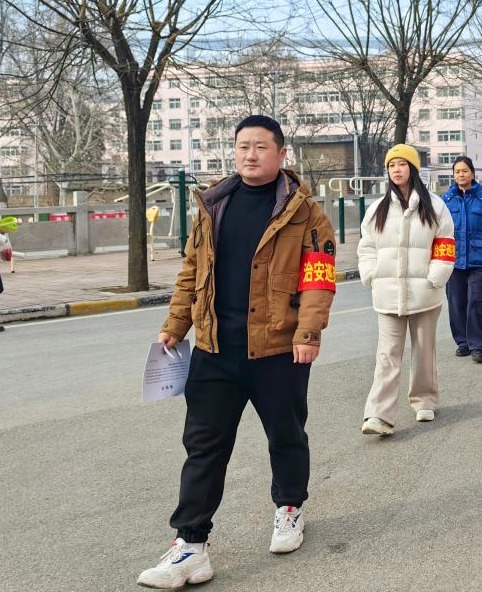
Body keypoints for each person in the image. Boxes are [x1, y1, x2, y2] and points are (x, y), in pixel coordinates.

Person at [137, 115, 337, 589]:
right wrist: (175, 326)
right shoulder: (212, 205)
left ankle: (289, 507)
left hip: (277, 349)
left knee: (286, 435)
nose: (250, 154)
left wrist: (307, 335)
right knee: (203, 447)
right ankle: (191, 545)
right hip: (214, 349)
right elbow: (192, 271)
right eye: (243, 146)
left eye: (261, 146)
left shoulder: (305, 212)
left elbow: (319, 277)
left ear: (281, 154)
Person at [358, 144, 455, 436]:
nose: (396, 170)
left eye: (402, 164)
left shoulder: (435, 206)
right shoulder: (377, 209)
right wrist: (371, 274)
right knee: (387, 354)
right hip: (387, 293)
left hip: (425, 292)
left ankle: (424, 400)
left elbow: (445, 244)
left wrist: (435, 277)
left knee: (424, 350)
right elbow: (367, 247)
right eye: (391, 165)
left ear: (413, 169)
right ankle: (379, 415)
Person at [441, 156, 482, 364]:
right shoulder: (446, 200)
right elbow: (438, 230)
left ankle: (478, 345)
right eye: (457, 172)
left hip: (479, 258)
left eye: (465, 171)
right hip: (453, 259)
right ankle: (463, 342)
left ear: (472, 173)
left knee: (478, 303)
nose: (461, 174)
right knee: (456, 302)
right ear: (453, 175)